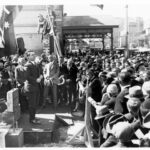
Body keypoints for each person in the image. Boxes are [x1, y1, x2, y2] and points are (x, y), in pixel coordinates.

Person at [23, 51, 41, 124]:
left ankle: (33, 117)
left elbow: (36, 73)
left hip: (35, 87)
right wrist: (36, 79)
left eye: (34, 54)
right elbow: (27, 76)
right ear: (28, 57)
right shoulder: (27, 65)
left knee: (35, 104)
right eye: (32, 55)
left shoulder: (34, 64)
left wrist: (40, 76)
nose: (34, 56)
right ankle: (32, 119)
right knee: (32, 104)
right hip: (31, 87)